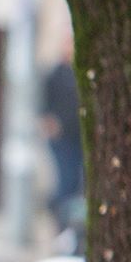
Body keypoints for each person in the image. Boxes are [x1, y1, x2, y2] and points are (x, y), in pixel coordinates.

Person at [39, 38, 83, 223]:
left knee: (76, 183)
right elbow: (44, 104)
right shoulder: (56, 74)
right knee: (67, 181)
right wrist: (49, 123)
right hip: (62, 138)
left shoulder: (78, 74)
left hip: (77, 136)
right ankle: (60, 219)